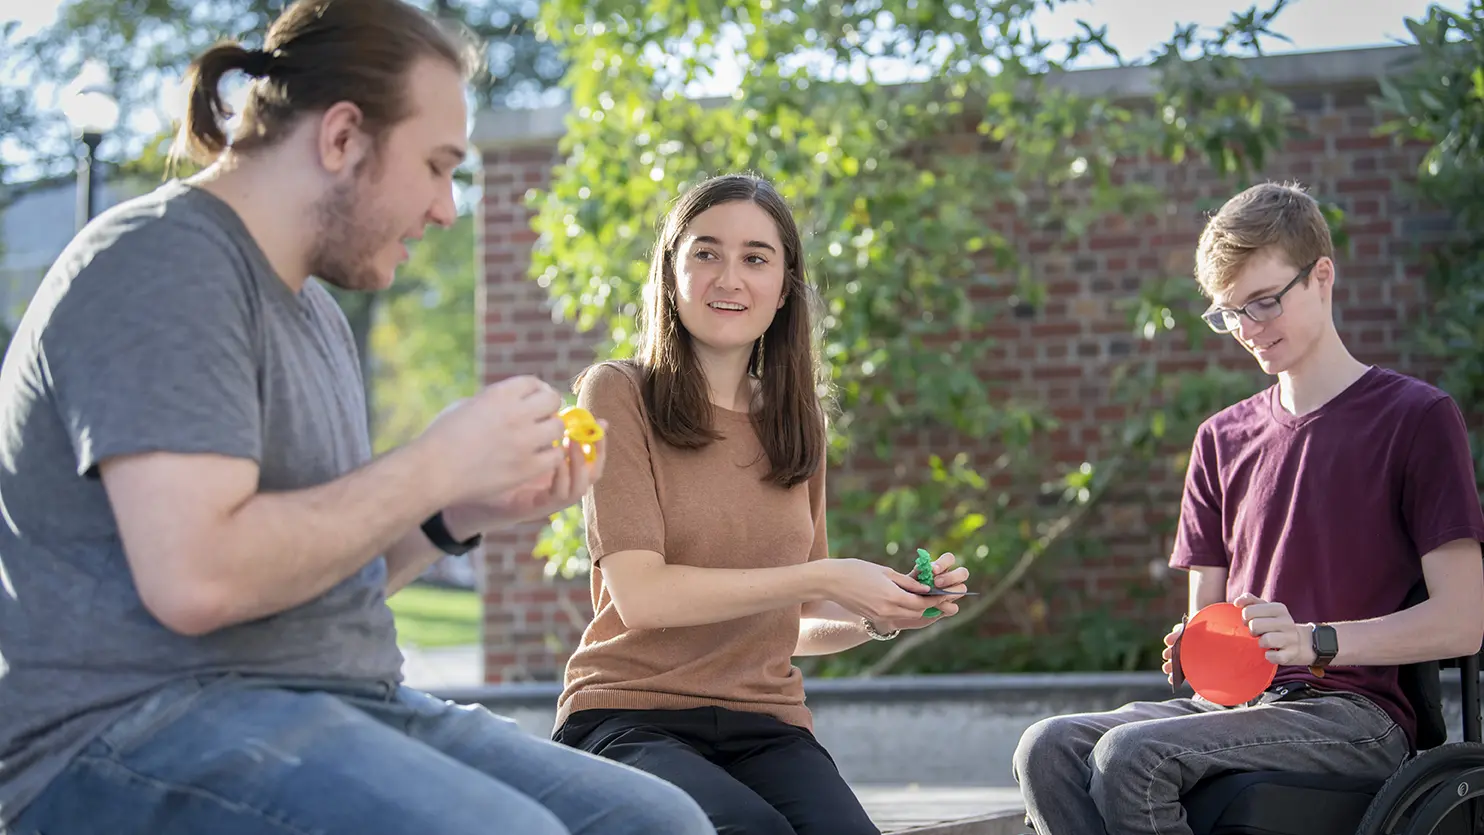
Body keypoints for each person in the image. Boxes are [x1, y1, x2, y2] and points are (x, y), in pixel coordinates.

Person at [0, 2, 715, 834]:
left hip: (336, 701)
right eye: (438, 165)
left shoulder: (313, 313)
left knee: (657, 822)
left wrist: (458, 514)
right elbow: (200, 578)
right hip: (121, 735)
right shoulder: (164, 263)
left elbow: (323, 569)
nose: (449, 207)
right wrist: (434, 463)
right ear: (342, 137)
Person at [1010, 180, 1484, 835]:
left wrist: (1315, 641)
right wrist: (1195, 642)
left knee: (1131, 757)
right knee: (1046, 748)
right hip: (1238, 706)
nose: (1248, 330)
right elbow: (1209, 619)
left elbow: (1464, 621)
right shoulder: (1219, 439)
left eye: (1263, 303)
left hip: (1355, 713)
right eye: (1229, 313)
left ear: (1322, 276)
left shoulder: (1417, 418)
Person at [548, 172, 972, 835]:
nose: (730, 277)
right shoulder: (615, 394)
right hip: (629, 717)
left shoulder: (797, 423)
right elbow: (644, 597)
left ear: (783, 289)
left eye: (755, 257)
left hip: (765, 726)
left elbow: (798, 618)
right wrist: (829, 576)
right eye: (706, 252)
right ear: (671, 274)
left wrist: (880, 612)